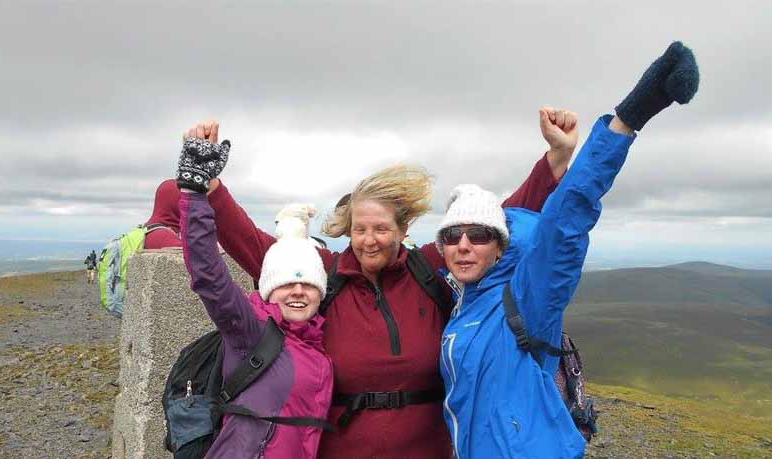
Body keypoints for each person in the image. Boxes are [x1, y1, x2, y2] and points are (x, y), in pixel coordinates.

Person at [172, 108, 578, 458]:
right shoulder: (323, 276)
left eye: (381, 228)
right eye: (359, 229)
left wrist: (555, 161)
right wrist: (210, 187)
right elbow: (254, 246)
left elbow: (491, 221)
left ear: (403, 229)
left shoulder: (428, 271)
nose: (369, 239)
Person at [436, 41, 699, 458]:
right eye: (452, 237)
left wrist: (631, 115)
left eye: (479, 235)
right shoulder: (459, 302)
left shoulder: (526, 299)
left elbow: (565, 219)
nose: (464, 246)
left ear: (500, 248)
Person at [176, 138, 334, 458]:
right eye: (286, 284)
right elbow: (209, 275)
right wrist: (194, 192)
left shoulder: (320, 345)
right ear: (269, 290)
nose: (298, 292)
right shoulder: (250, 329)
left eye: (308, 285)